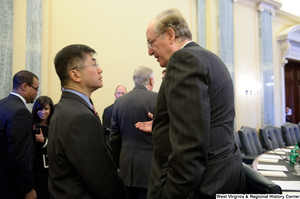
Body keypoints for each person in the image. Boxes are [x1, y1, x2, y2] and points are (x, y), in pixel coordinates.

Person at [136, 8, 245, 198]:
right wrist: (165, 126)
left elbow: (190, 146)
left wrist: (171, 193)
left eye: (151, 42)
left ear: (170, 34)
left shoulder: (183, 59)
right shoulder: (211, 58)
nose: (149, 51)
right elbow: (203, 121)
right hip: (224, 174)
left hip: (201, 185)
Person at [48, 44, 127, 198]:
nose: (100, 69)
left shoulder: (67, 106)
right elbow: (103, 180)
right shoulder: (80, 117)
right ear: (75, 75)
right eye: (94, 63)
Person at [110, 66, 158, 199]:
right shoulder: (158, 99)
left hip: (125, 168)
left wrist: (115, 164)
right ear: (151, 81)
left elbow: (114, 137)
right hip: (149, 169)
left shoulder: (119, 102)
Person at [0, 70, 39, 199]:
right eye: (35, 89)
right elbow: (20, 155)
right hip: (12, 185)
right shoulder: (20, 112)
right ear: (25, 86)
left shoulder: (2, 104)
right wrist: (27, 189)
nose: (36, 93)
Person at [32, 96, 55, 199]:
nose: (42, 112)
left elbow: (58, 146)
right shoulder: (31, 123)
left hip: (50, 169)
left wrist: (44, 141)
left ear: (50, 109)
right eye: (40, 109)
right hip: (34, 167)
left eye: (46, 109)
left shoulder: (55, 124)